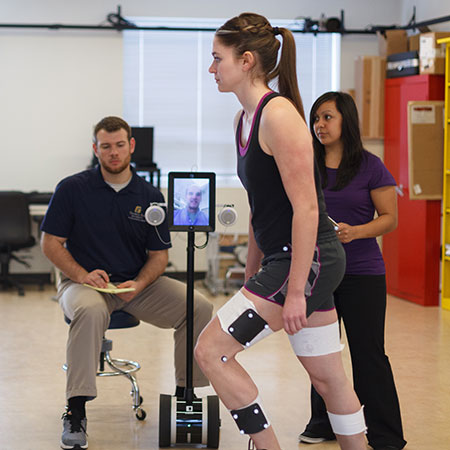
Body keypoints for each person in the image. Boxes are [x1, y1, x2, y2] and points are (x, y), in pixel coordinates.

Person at [194, 13, 367, 450]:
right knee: (329, 381)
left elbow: (307, 207)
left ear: (246, 59)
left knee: (210, 351)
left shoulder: (280, 116)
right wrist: (254, 273)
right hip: (291, 261)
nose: (211, 68)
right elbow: (262, 207)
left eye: (217, 59)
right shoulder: (243, 120)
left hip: (308, 261)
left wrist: (294, 292)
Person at [40, 116, 213, 450]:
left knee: (199, 306)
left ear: (131, 146)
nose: (114, 153)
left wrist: (139, 282)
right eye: (106, 147)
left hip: (135, 286)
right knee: (89, 312)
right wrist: (81, 275)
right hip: (85, 284)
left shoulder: (149, 195)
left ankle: (184, 395)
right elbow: (50, 243)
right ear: (96, 149)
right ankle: (75, 412)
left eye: (120, 145)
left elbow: (159, 256)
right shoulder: (72, 188)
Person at [298, 91, 406, 450]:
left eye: (327, 117)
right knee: (321, 351)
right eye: (316, 118)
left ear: (346, 120)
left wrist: (355, 232)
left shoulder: (371, 165)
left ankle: (386, 433)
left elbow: (389, 218)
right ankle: (323, 423)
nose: (319, 125)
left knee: (368, 352)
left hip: (362, 273)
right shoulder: (306, 163)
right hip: (320, 273)